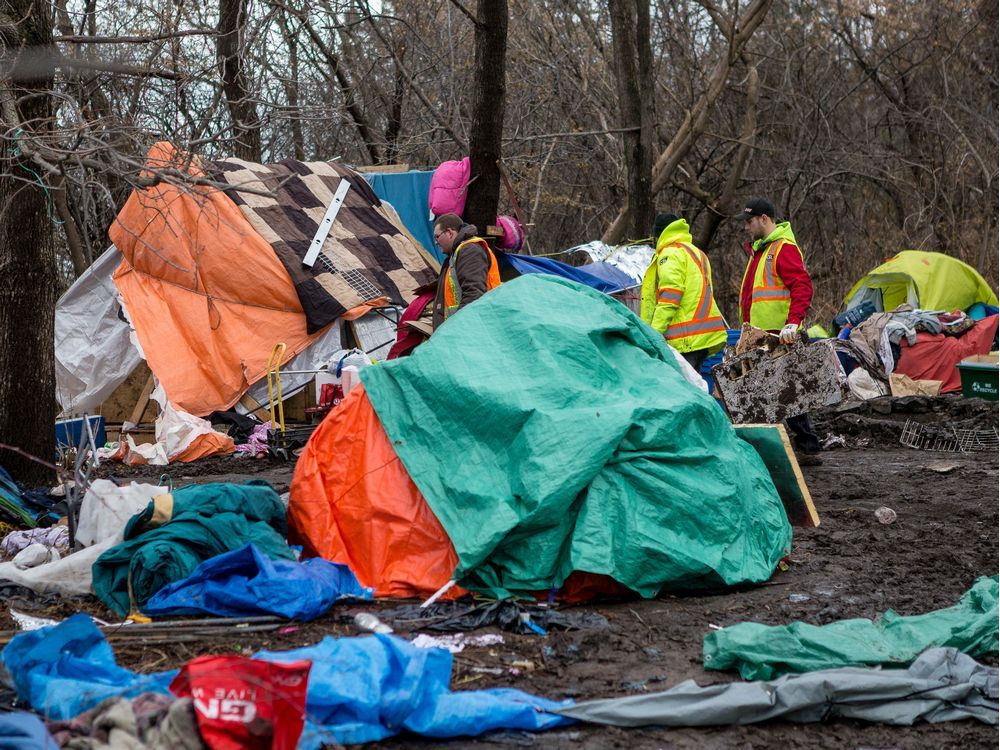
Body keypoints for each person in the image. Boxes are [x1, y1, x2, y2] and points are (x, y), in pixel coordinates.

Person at [738, 197, 821, 455]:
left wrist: (793, 322)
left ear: (764, 219)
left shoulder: (782, 249)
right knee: (784, 395)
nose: (746, 227)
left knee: (786, 395)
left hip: (777, 337)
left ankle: (803, 448)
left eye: (749, 221)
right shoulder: (761, 251)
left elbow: (802, 286)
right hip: (761, 337)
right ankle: (803, 447)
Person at [640, 212, 728, 372]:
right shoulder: (696, 252)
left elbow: (670, 295)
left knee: (683, 391)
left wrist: (653, 333)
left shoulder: (670, 254)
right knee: (695, 388)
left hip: (685, 340)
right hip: (702, 338)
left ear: (659, 235)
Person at [430, 213, 501, 329]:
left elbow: (474, 294)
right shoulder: (458, 253)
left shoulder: (470, 251)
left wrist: (457, 328)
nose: (436, 242)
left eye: (437, 237)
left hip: (470, 330)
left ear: (449, 233)